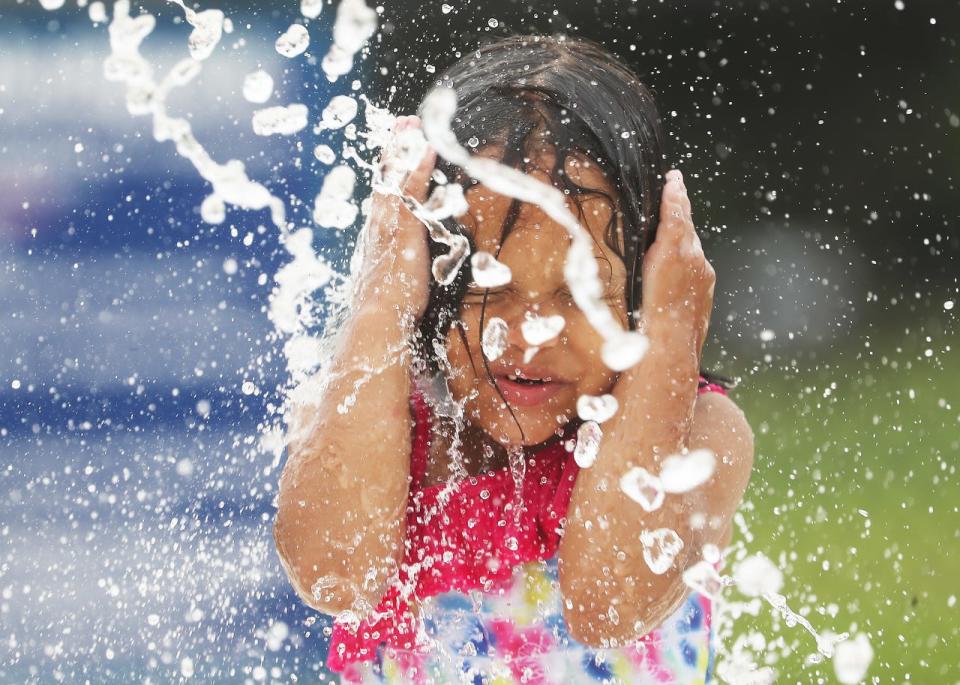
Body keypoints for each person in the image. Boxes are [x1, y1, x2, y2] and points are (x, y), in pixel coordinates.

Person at [273, 34, 755, 684]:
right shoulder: (369, 421)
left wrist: (672, 334)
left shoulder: (696, 435)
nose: (529, 334)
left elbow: (606, 606)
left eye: (580, 291)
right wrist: (379, 300)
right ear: (428, 277)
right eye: (486, 285)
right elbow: (333, 575)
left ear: (647, 285)